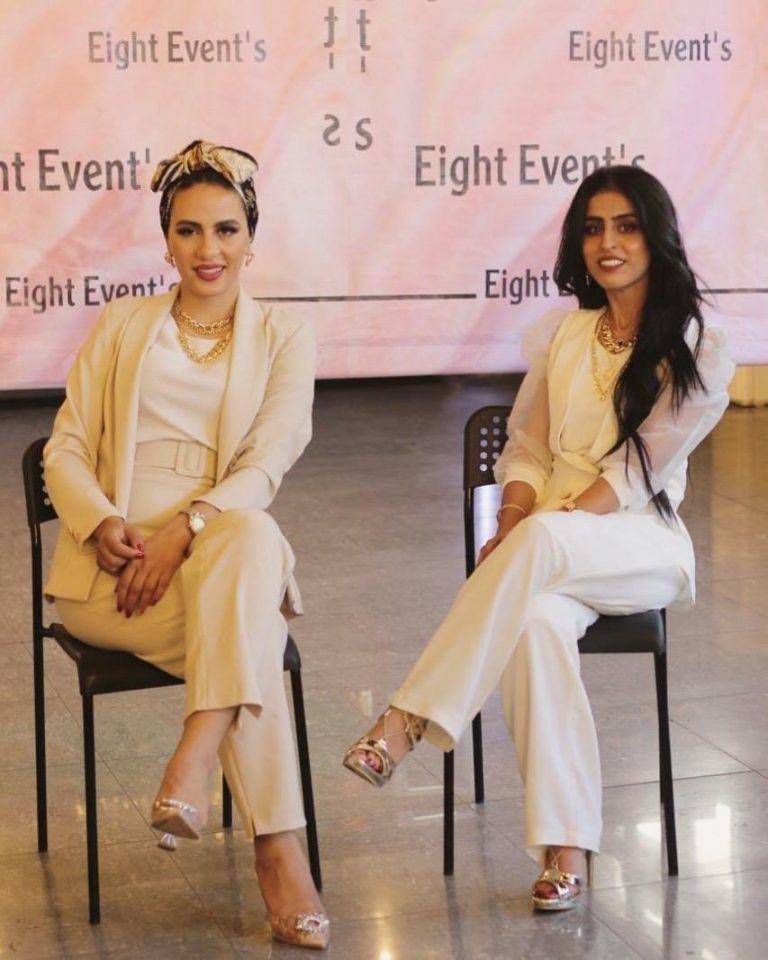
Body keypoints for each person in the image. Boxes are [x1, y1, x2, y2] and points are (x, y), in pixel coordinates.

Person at [343, 165, 734, 911]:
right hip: (552, 542)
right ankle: (566, 845)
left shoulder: (699, 346)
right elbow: (524, 450)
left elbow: (636, 470)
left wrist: (543, 531)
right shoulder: (566, 335)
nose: (608, 243)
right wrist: (514, 522)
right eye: (593, 229)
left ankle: (406, 719)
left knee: (545, 546)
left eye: (626, 227)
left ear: (656, 236)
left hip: (639, 541)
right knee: (533, 627)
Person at [43, 140, 329, 949]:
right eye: (189, 230)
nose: (210, 249)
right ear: (165, 240)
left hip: (215, 554)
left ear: (251, 237)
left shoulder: (284, 336)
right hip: (117, 579)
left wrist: (186, 530)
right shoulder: (122, 324)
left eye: (227, 230)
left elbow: (266, 463)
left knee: (249, 529)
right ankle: (277, 850)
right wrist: (101, 522)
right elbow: (66, 447)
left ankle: (195, 758)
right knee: (254, 632)